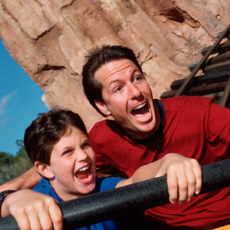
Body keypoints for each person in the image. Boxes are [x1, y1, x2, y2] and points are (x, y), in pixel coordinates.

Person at [1, 45, 230, 229]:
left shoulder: (198, 112)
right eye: (118, 88)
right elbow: (58, 159)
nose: (135, 92)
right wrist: (10, 194)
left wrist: (167, 162)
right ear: (104, 107)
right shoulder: (102, 137)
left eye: (137, 78)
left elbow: (135, 180)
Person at [1, 109, 202, 230]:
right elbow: (12, 206)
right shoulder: (35, 200)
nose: (83, 156)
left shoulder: (101, 186)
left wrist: (167, 162)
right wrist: (11, 200)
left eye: (85, 145)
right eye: (68, 152)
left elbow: (133, 182)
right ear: (44, 169)